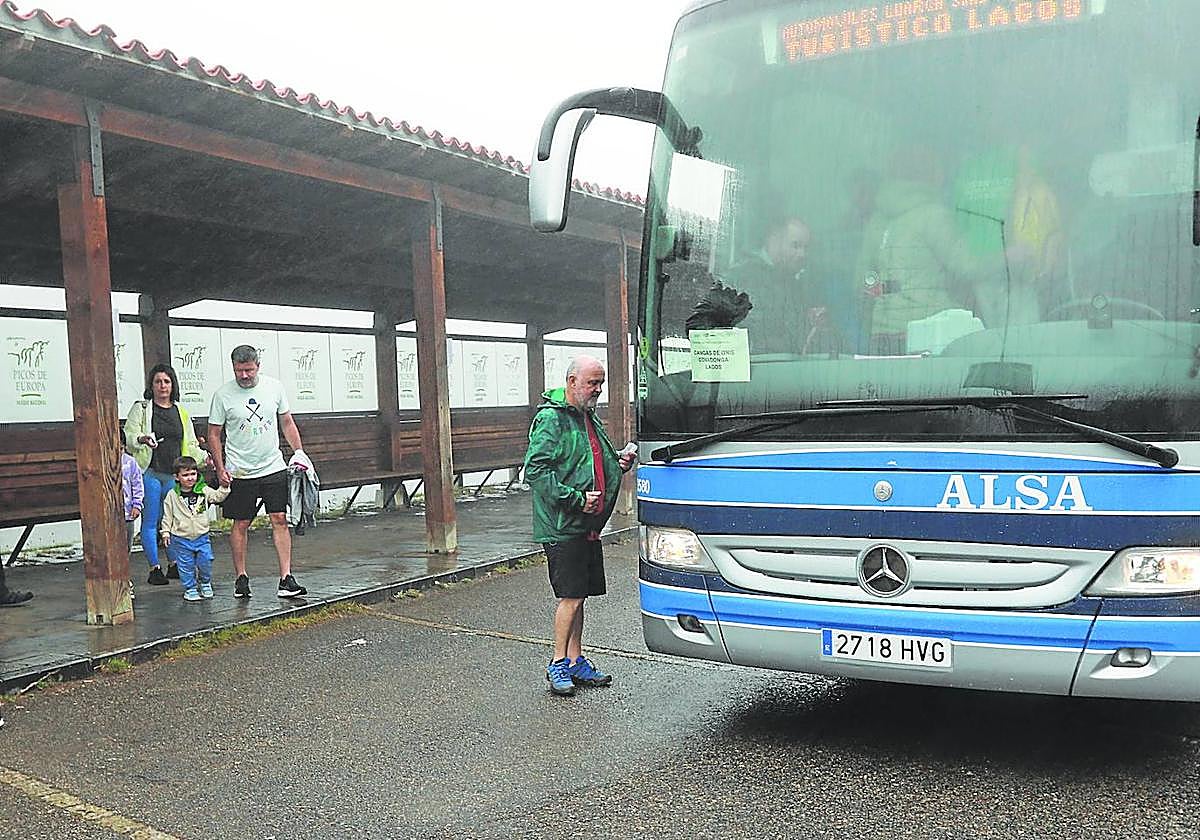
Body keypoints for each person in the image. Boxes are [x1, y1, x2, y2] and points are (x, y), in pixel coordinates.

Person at [523, 355, 636, 697]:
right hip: (563, 523)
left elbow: (588, 460)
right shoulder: (552, 419)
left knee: (580, 595)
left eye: (600, 383)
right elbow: (536, 471)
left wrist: (618, 462)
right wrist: (574, 498)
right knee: (570, 597)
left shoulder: (586, 416)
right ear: (572, 382)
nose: (597, 390)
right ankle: (557, 662)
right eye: (592, 383)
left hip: (587, 523)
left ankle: (575, 661)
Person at [207, 345, 308, 599]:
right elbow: (214, 433)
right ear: (233, 368)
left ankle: (286, 577)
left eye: (248, 370)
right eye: (239, 370)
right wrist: (220, 468)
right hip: (240, 471)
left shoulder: (274, 387)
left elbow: (286, 421)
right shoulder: (222, 395)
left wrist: (299, 452)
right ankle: (241, 577)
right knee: (241, 523)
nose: (244, 375)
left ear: (257, 366)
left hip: (273, 466)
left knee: (279, 519)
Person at [125, 364, 206, 586]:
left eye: (167, 381)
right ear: (151, 385)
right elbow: (129, 437)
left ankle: (174, 564)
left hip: (173, 474)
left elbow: (189, 442)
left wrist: (204, 458)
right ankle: (154, 567)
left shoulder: (180, 410)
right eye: (158, 381)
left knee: (172, 521)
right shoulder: (141, 409)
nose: (162, 386)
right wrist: (142, 439)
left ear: (173, 385)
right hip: (150, 471)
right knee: (151, 520)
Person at [160, 456, 230, 601]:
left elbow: (217, 497)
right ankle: (190, 588)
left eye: (193, 474)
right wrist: (165, 532)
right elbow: (167, 516)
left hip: (201, 535)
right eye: (185, 475)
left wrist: (224, 487)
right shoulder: (172, 495)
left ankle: (205, 582)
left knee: (206, 560)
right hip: (181, 537)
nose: (190, 478)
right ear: (177, 477)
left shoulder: (202, 490)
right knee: (186, 565)